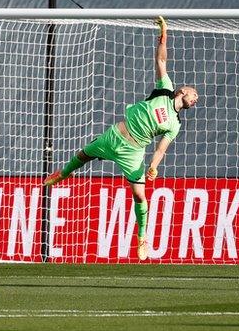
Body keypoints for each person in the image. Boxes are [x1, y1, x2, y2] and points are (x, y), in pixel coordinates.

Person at [44, 16, 199, 261]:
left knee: (140, 195)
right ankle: (62, 174)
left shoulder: (175, 124)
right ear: (182, 91)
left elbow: (160, 149)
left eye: (196, 98)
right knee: (84, 155)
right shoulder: (165, 89)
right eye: (194, 94)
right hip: (115, 135)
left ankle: (142, 239)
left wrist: (153, 167)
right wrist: (164, 33)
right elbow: (161, 59)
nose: (195, 98)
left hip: (133, 152)